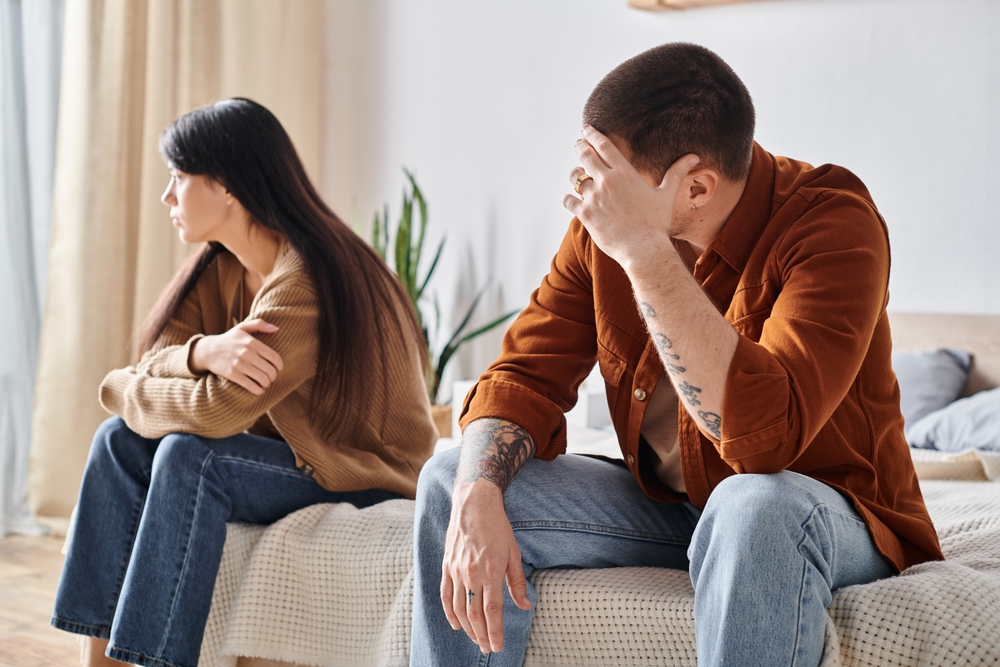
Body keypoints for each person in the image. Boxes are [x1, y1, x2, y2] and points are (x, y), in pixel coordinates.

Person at [410, 43, 943, 667]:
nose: (589, 194)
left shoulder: (833, 226)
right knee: (453, 479)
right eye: (589, 170)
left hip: (825, 513)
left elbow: (763, 443)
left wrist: (643, 252)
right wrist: (478, 495)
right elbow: (524, 375)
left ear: (695, 186)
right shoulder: (603, 227)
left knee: (750, 507)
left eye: (610, 177)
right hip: (676, 508)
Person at [51, 98, 437, 667]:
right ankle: (98, 662)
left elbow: (216, 414)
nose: (167, 196)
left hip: (362, 468)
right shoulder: (221, 266)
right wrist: (201, 352)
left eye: (179, 177)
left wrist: (124, 385)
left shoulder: (306, 280)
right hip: (286, 455)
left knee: (189, 455)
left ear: (227, 185)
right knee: (116, 442)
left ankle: (156, 660)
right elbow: (153, 363)